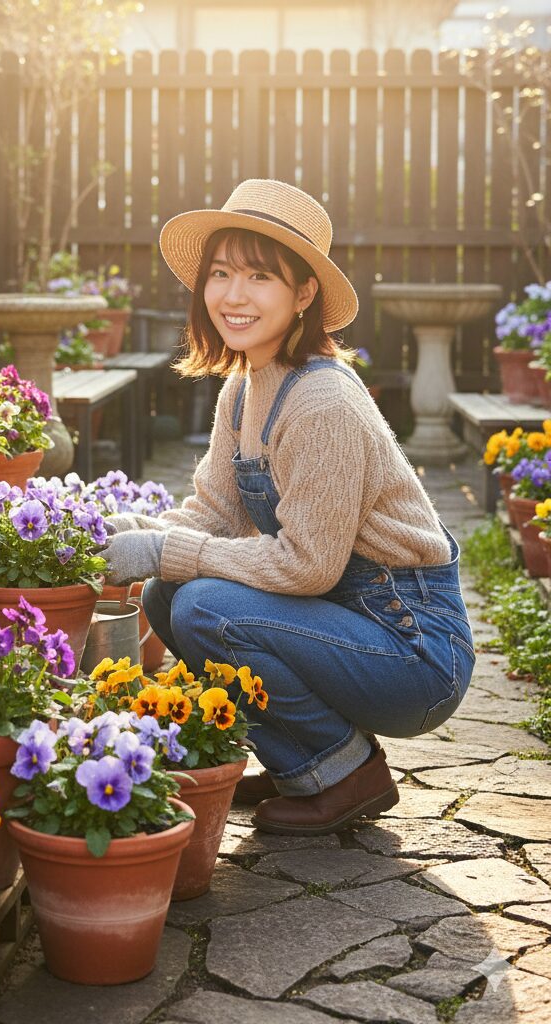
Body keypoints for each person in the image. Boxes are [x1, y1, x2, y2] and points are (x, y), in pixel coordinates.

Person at [101, 179, 475, 836]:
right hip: (345, 623)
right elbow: (212, 517)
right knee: (167, 594)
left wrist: (165, 550)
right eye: (220, 273)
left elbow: (309, 568)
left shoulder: (323, 403)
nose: (233, 295)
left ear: (304, 293)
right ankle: (303, 758)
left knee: (200, 605)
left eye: (259, 277)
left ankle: (346, 771)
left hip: (414, 651)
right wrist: (142, 532)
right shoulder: (243, 390)